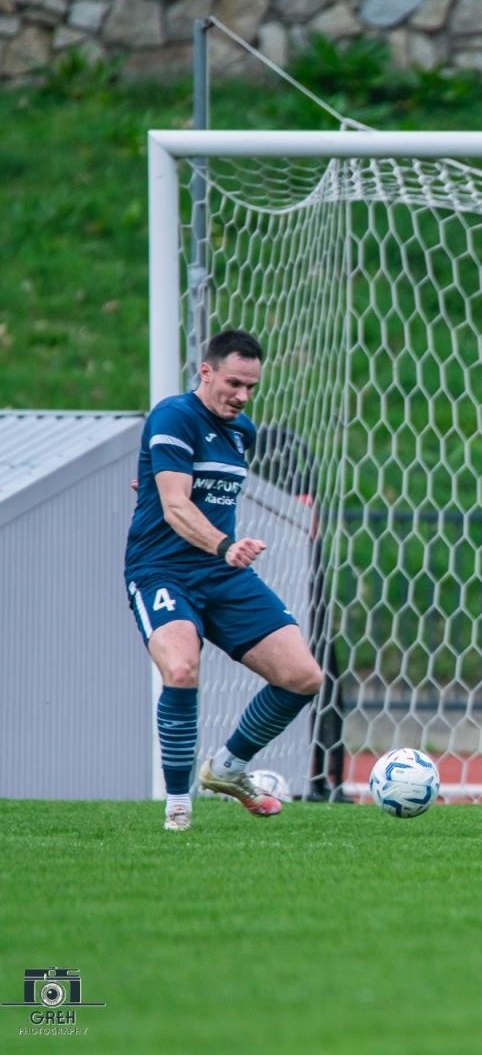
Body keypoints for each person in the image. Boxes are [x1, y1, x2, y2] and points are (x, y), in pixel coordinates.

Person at [125, 329, 325, 831]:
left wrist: (222, 552)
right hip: (162, 570)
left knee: (303, 677)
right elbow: (175, 505)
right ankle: (178, 806)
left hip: (221, 572)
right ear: (206, 371)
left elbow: (189, 488)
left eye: (252, 387)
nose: (242, 395)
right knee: (182, 669)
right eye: (234, 382)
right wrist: (223, 544)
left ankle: (229, 769)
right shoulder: (173, 415)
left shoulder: (243, 432)